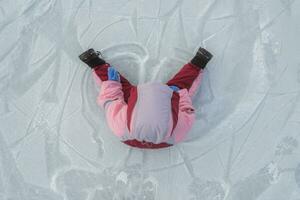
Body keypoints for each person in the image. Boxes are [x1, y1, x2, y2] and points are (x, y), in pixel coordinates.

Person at [79, 47, 213, 149]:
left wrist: (112, 83)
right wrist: (180, 94)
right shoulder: (177, 130)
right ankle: (197, 64)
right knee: (181, 85)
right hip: (166, 141)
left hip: (128, 137)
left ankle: (96, 64)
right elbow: (187, 110)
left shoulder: (121, 126)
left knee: (118, 86)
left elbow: (110, 100)